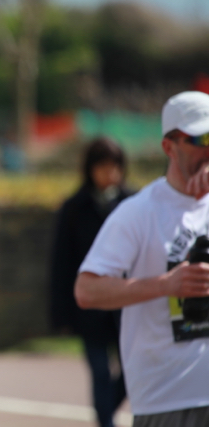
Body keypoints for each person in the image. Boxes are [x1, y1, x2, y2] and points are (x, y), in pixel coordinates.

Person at [75, 91, 209, 427]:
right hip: (169, 400)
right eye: (201, 139)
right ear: (169, 147)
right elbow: (86, 291)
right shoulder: (137, 212)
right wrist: (166, 285)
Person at [50, 136, 130, 427]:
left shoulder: (132, 204)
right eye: (103, 166)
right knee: (99, 371)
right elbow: (62, 263)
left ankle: (105, 412)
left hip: (127, 304)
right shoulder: (74, 208)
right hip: (89, 307)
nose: (110, 173)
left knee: (131, 369)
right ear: (90, 169)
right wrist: (60, 314)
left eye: (115, 166)